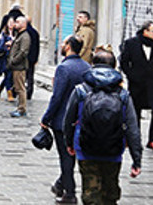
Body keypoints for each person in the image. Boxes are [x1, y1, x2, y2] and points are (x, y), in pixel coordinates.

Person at [63, 48, 142, 205]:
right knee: (110, 194)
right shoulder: (123, 94)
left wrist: (69, 143)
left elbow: (68, 120)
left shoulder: (81, 91)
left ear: (92, 65)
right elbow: (133, 129)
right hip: (113, 150)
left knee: (90, 194)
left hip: (85, 147)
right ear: (114, 67)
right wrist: (136, 159)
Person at [41, 35, 91, 204]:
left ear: (69, 46)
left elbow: (57, 97)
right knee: (72, 155)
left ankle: (70, 193)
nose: (61, 45)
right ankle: (61, 184)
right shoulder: (86, 67)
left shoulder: (64, 68)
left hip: (63, 119)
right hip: (81, 118)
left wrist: (46, 118)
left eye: (63, 43)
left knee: (65, 157)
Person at [119, 20, 153, 151]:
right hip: (137, 84)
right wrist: (131, 76)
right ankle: (135, 139)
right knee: (135, 112)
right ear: (145, 31)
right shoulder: (131, 43)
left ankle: (152, 139)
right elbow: (124, 62)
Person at [8, 16, 31, 117]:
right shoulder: (19, 35)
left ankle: (22, 109)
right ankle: (20, 107)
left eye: (17, 22)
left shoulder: (25, 36)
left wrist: (14, 60)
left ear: (23, 24)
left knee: (20, 88)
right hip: (16, 66)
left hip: (19, 66)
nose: (15, 24)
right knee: (17, 88)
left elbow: (23, 51)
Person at [26, 16, 41, 100]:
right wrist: (36, 58)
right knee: (30, 76)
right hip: (32, 58)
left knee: (23, 76)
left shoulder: (25, 32)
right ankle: (29, 91)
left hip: (25, 58)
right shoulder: (35, 32)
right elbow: (37, 46)